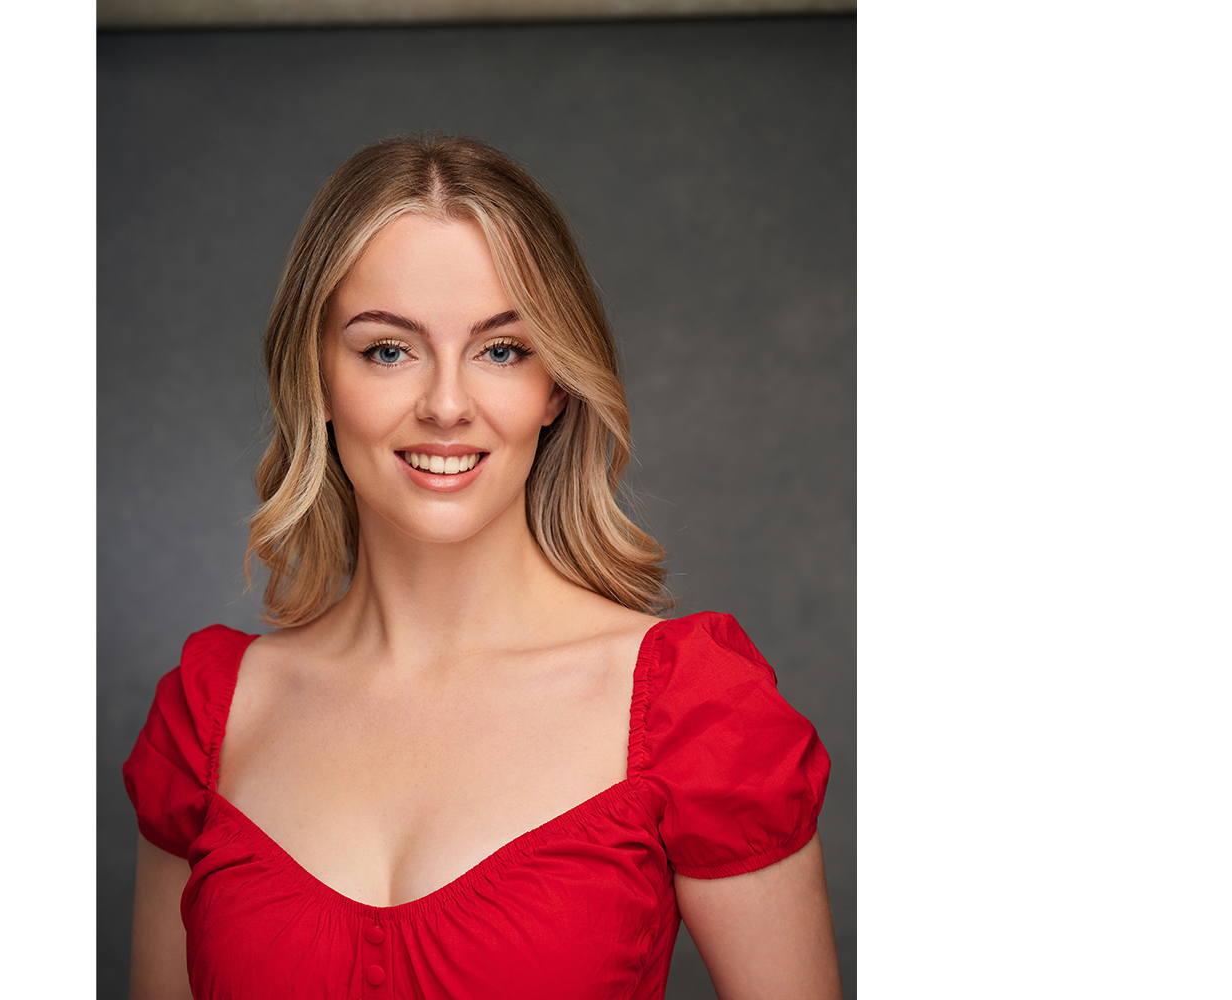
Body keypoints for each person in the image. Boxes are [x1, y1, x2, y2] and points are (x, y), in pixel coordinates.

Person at [123, 135, 839, 999]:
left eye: (503, 350)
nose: (448, 405)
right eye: (389, 349)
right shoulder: (209, 717)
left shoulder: (695, 709)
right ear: (315, 374)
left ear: (558, 386)